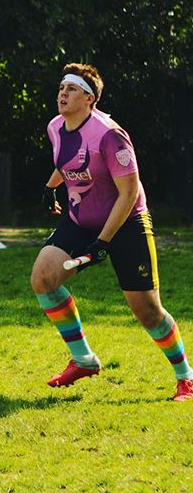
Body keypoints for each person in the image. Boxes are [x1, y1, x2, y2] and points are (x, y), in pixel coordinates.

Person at [31, 63, 193, 402]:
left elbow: (129, 192)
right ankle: (84, 359)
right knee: (43, 278)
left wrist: (103, 241)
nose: (63, 93)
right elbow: (69, 161)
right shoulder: (56, 127)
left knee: (147, 311)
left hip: (126, 224)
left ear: (89, 99)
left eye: (71, 89)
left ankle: (186, 377)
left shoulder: (109, 134)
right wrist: (51, 185)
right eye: (61, 87)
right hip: (79, 221)